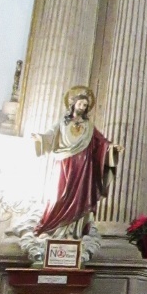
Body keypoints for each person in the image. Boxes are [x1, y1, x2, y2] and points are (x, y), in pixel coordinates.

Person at [33, 86, 123, 238]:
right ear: (73, 104)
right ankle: (54, 228)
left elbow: (101, 142)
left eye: (85, 105)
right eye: (81, 103)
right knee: (59, 195)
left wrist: (112, 148)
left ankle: (74, 231)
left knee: (81, 196)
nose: (83, 107)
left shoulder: (89, 126)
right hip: (64, 163)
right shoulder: (63, 123)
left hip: (84, 167)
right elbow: (50, 135)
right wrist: (39, 138)